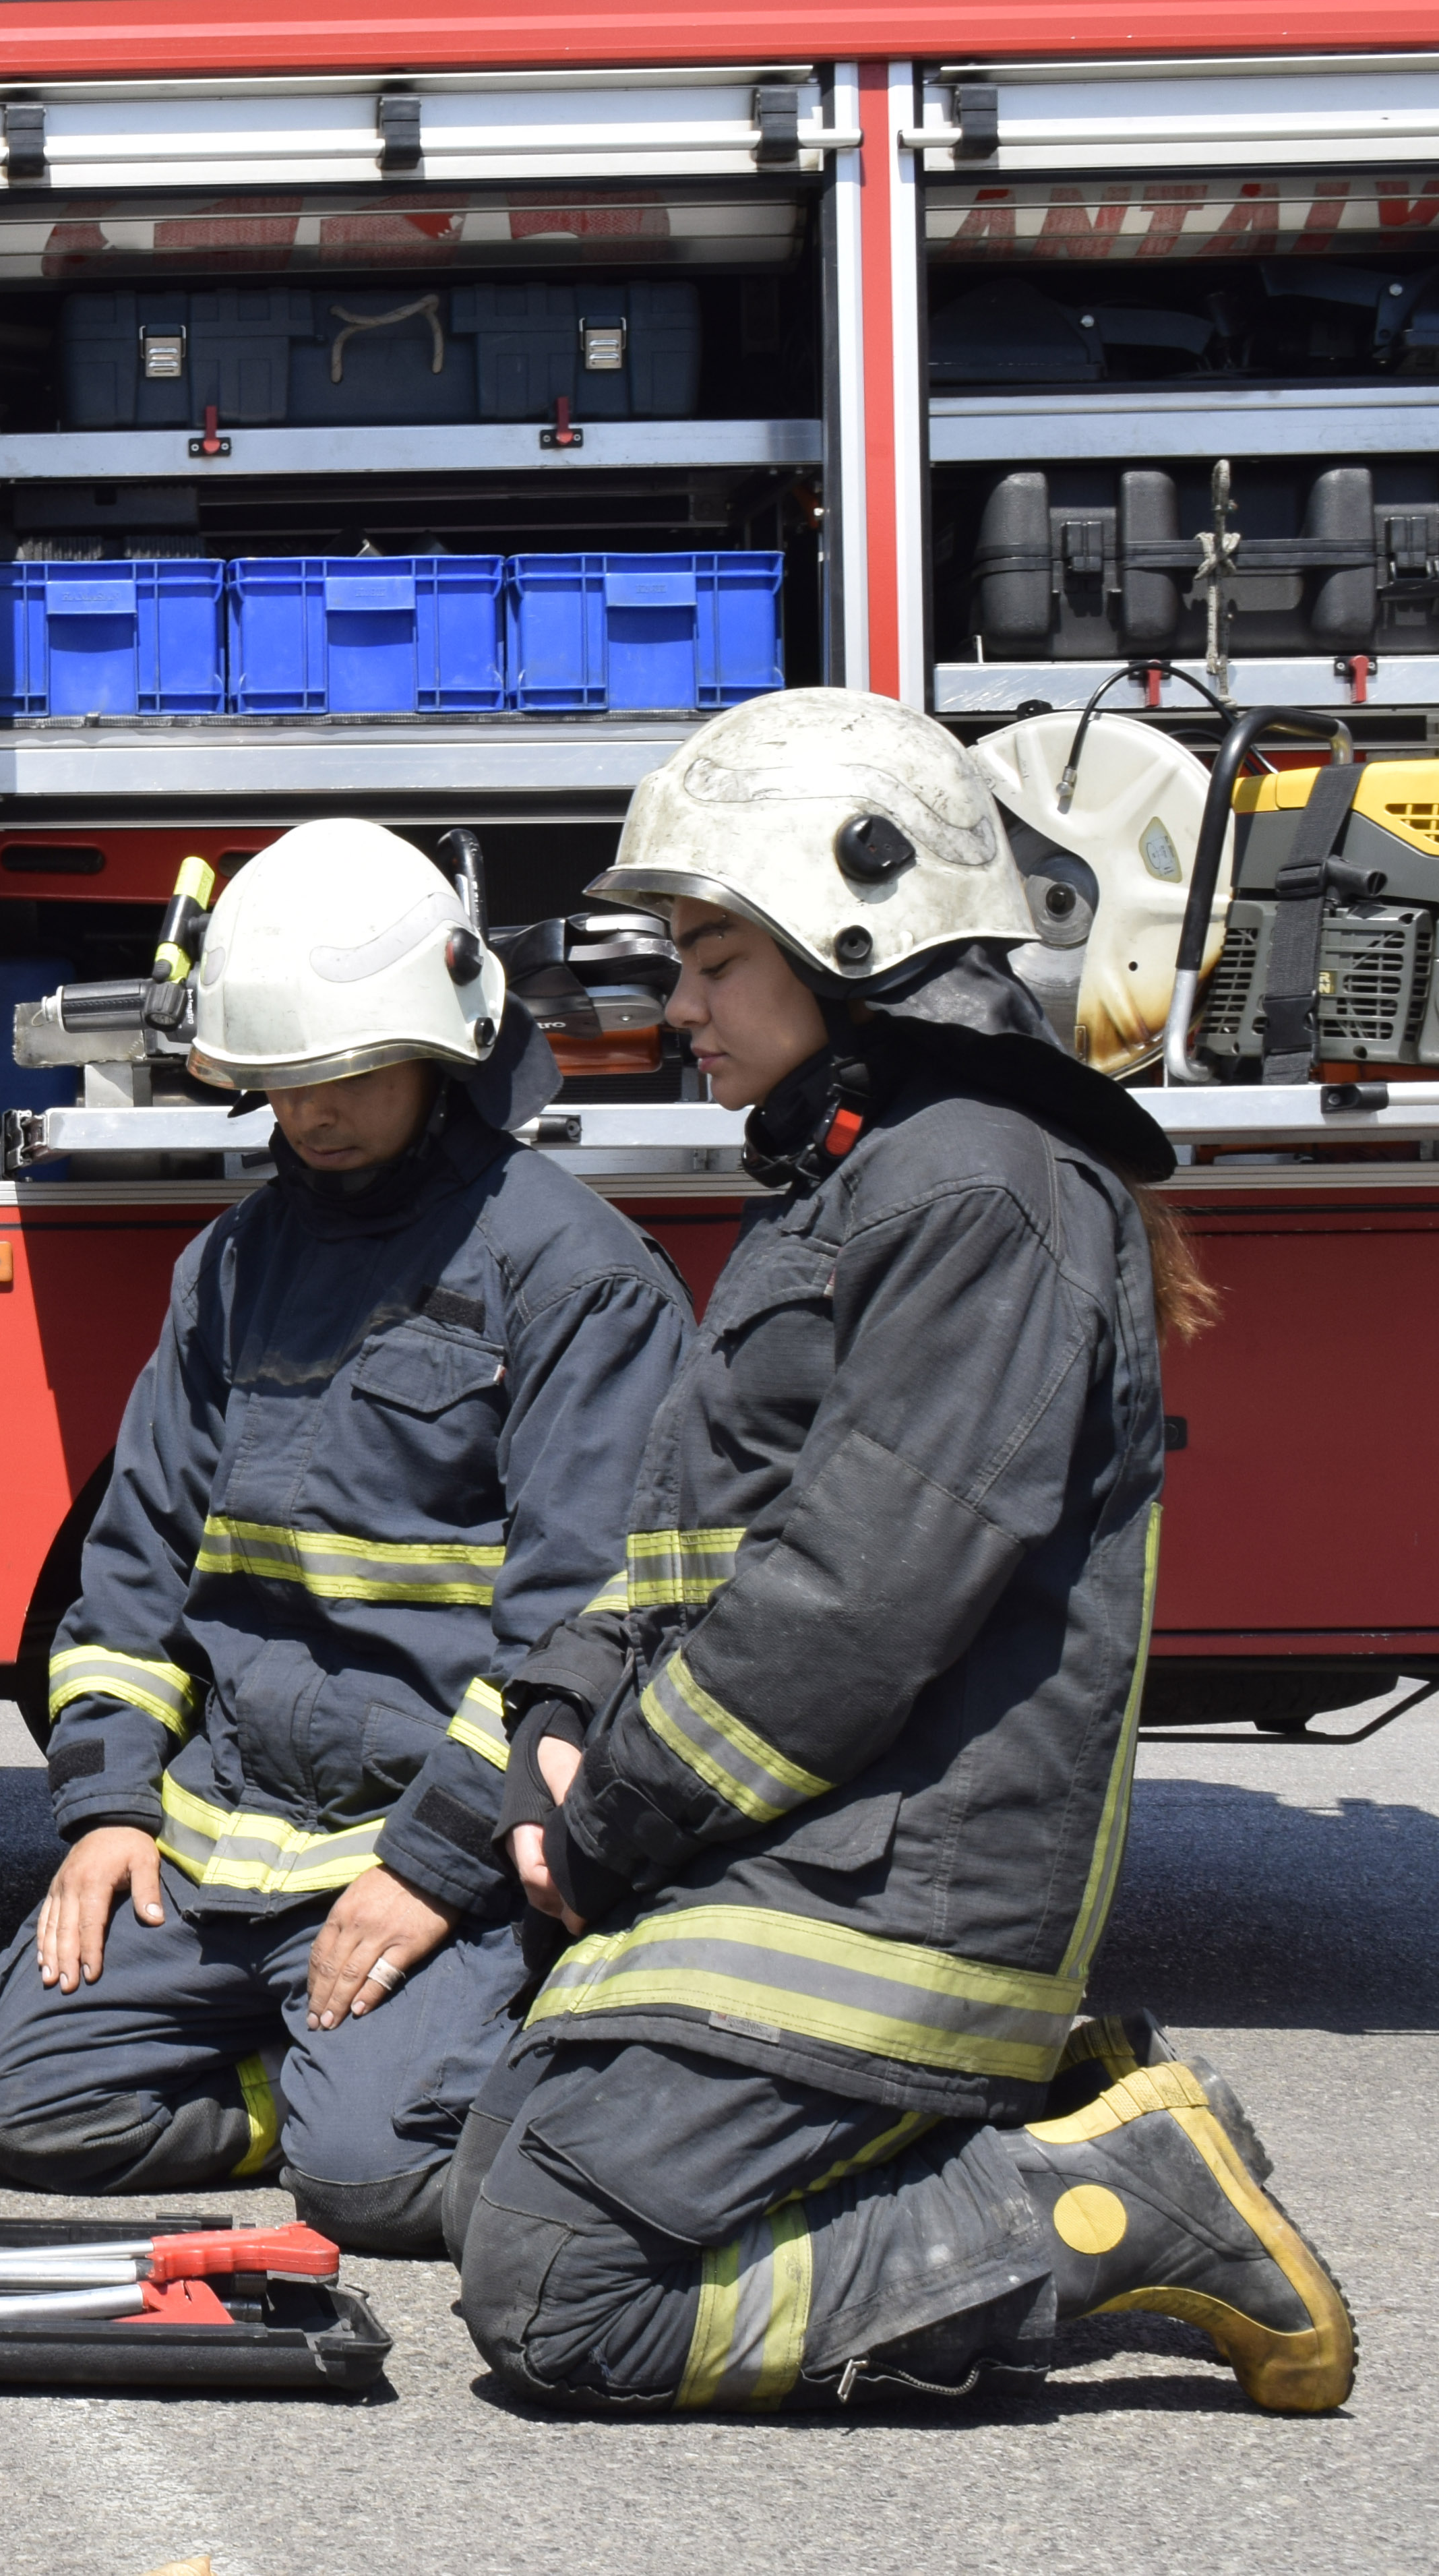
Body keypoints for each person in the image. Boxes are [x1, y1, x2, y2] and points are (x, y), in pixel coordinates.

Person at [451, 688, 1351, 2412]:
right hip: (809, 1851)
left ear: (853, 935)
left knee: (561, 2288)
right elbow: (697, 1546)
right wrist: (561, 1714)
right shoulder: (861, 1181)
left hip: (898, 1889)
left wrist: (621, 1811)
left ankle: (1107, 2201)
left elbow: (858, 1602)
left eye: (713, 957)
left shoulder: (973, 1192)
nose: (679, 1002)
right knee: (484, 2171)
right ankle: (1023, 2122)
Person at [0, 818, 690, 2256]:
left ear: (447, 1046)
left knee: (367, 2182)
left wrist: (430, 1872)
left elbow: (580, 1633)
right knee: (30, 2106)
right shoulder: (231, 1267)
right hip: (229, 1841)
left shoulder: (576, 1277)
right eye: (282, 1084)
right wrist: (107, 1812)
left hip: (426, 1851)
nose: (312, 1115)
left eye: (345, 1075)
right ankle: (320, 2077)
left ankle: (543, 2049)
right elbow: (135, 1571)